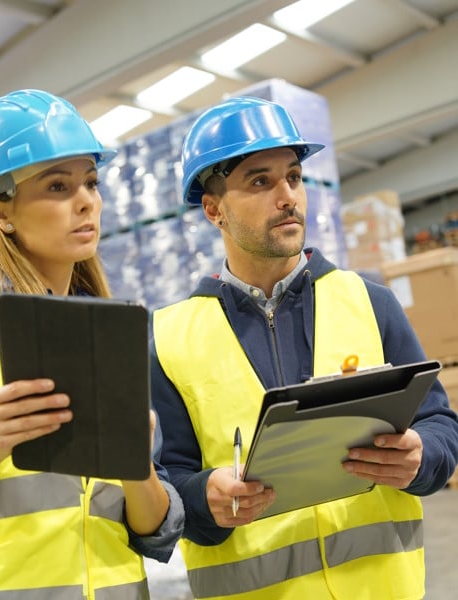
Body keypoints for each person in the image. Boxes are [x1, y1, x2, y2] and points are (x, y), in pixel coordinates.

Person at [150, 96, 458, 599]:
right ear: (214, 210)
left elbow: (441, 425)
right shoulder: (169, 338)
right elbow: (168, 485)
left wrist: (421, 457)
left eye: (293, 176)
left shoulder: (370, 302)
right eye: (259, 181)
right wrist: (205, 499)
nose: (287, 195)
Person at [0, 89, 184, 599]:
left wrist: (136, 464)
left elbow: (156, 529)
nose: (86, 202)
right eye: (57, 186)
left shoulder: (115, 335)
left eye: (91, 183)